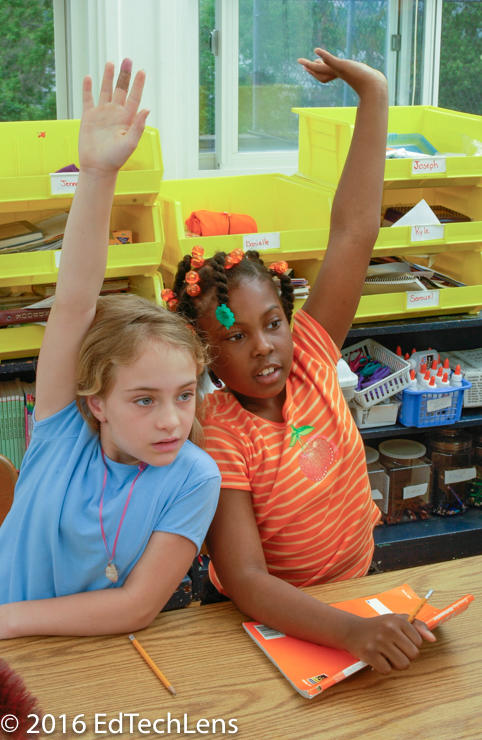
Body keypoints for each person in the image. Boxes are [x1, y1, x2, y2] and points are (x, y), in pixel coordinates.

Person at [167, 48, 436, 674]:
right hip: (278, 622)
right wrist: (349, 633)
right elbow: (246, 579)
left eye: (273, 324)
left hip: (356, 587)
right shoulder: (220, 436)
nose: (263, 346)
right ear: (205, 351)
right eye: (236, 339)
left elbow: (354, 231)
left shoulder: (312, 351)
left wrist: (372, 94)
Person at [0, 59, 220, 638]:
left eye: (184, 395)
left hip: (82, 656)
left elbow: (133, 608)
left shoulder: (196, 478)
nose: (172, 421)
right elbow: (74, 301)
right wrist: (97, 174)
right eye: (143, 400)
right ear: (96, 402)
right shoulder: (60, 431)